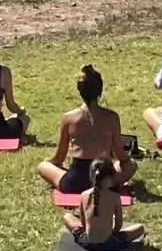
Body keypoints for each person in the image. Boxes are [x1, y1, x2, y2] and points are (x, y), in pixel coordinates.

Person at [39, 65, 137, 194]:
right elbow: (120, 155)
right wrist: (126, 163)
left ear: (80, 90)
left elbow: (59, 158)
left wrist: (49, 162)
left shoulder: (69, 118)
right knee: (132, 164)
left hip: (74, 182)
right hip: (104, 181)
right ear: (100, 90)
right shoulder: (112, 117)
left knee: (42, 166)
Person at [70, 158, 145, 250]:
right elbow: (118, 225)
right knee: (140, 228)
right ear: (110, 177)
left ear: (92, 176)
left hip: (87, 244)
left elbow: (83, 223)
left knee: (68, 217)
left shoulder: (84, 195)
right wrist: (112, 232)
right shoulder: (114, 197)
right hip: (109, 244)